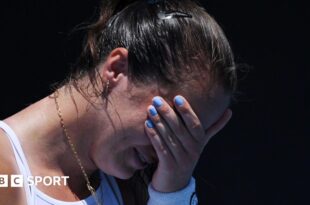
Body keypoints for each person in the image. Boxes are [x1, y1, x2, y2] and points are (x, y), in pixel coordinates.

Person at [0, 0, 237, 204]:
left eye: (189, 138)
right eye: (172, 122)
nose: (170, 154)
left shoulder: (138, 187)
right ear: (116, 69)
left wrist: (173, 191)